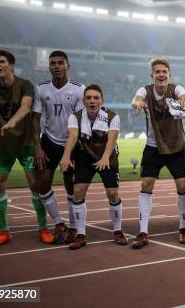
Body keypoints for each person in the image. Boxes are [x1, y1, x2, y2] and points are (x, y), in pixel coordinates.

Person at [0, 50, 52, 247]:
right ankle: (4, 231)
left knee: (35, 184)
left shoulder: (25, 85)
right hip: (2, 146)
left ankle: (43, 228)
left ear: (12, 66)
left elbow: (25, 108)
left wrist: (12, 122)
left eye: (1, 62)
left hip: (25, 145)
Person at [130, 59, 185, 249]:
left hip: (176, 147)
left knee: (182, 186)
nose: (161, 74)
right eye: (157, 72)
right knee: (146, 184)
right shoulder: (145, 91)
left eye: (164, 71)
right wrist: (138, 103)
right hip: (153, 146)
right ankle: (142, 231)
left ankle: (183, 228)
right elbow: (136, 99)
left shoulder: (176, 89)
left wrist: (184, 100)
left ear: (169, 74)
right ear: (152, 75)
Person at [59, 85, 127, 250]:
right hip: (85, 157)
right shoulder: (75, 117)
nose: (92, 101)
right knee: (78, 192)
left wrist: (105, 157)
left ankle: (118, 230)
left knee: (112, 193)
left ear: (101, 101)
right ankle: (81, 235)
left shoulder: (112, 116)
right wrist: (66, 156)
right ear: (83, 101)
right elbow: (73, 136)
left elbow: (112, 140)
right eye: (88, 98)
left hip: (107, 156)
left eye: (96, 98)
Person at [32, 51, 85, 244]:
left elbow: (79, 122)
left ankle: (72, 226)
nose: (56, 66)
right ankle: (58, 223)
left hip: (71, 143)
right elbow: (35, 119)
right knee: (43, 183)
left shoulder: (79, 89)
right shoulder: (41, 88)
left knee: (71, 186)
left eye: (60, 63)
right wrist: (37, 147)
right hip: (49, 142)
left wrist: (69, 152)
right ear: (49, 67)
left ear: (67, 66)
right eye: (53, 63)